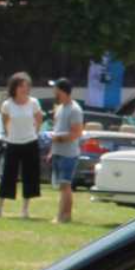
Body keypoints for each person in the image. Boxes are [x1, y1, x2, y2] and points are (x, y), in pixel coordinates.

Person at [0, 73, 44, 219]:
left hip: (30, 143)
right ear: (14, 87)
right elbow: (5, 122)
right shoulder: (7, 104)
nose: (24, 89)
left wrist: (34, 133)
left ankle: (25, 210)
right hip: (13, 143)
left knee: (30, 177)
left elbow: (39, 119)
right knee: (7, 176)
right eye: (21, 86)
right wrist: (11, 135)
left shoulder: (34, 102)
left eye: (26, 86)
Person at [46, 77, 85, 224]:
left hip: (68, 153)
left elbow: (77, 133)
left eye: (55, 89)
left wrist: (58, 138)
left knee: (65, 185)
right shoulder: (59, 108)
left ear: (62, 91)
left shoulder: (75, 109)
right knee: (61, 186)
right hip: (57, 152)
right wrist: (52, 150)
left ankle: (62, 216)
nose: (54, 92)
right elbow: (57, 129)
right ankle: (64, 215)